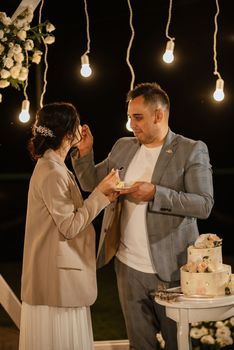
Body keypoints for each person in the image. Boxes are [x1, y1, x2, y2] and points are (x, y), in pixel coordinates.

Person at [71, 82, 214, 350]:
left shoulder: (191, 149)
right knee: (140, 345)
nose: (132, 125)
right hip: (127, 269)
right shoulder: (123, 147)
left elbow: (204, 204)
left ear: (159, 115)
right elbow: (91, 182)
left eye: (138, 118)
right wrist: (85, 152)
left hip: (172, 270)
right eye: (129, 118)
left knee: (178, 343)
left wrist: (156, 194)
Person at [19, 102, 120, 350]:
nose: (82, 127)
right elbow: (70, 226)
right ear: (67, 133)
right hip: (57, 283)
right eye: (77, 122)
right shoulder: (52, 171)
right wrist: (101, 195)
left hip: (56, 279)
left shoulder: (52, 165)